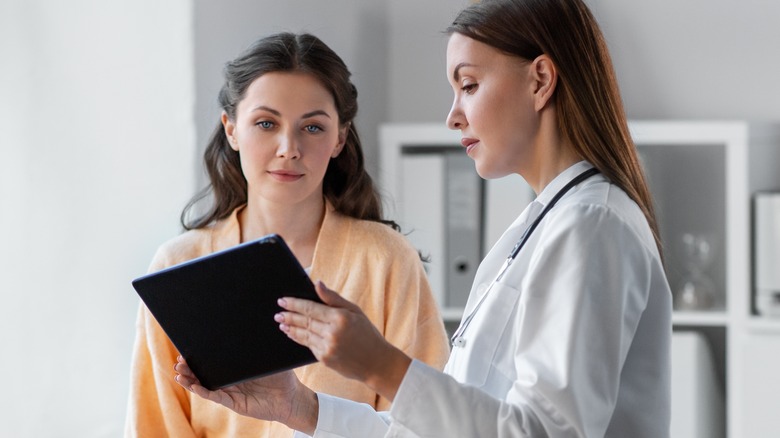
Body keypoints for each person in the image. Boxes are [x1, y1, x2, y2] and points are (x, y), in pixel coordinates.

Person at [174, 0, 673, 436]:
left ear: (540, 80)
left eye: (469, 85)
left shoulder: (591, 225)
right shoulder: (540, 228)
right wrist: (298, 406)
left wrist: (383, 367)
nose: (453, 116)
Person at [125, 32, 451, 438]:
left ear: (340, 138)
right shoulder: (178, 266)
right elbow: (154, 427)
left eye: (312, 127)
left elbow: (427, 423)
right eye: (266, 123)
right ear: (230, 129)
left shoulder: (386, 261)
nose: (288, 147)